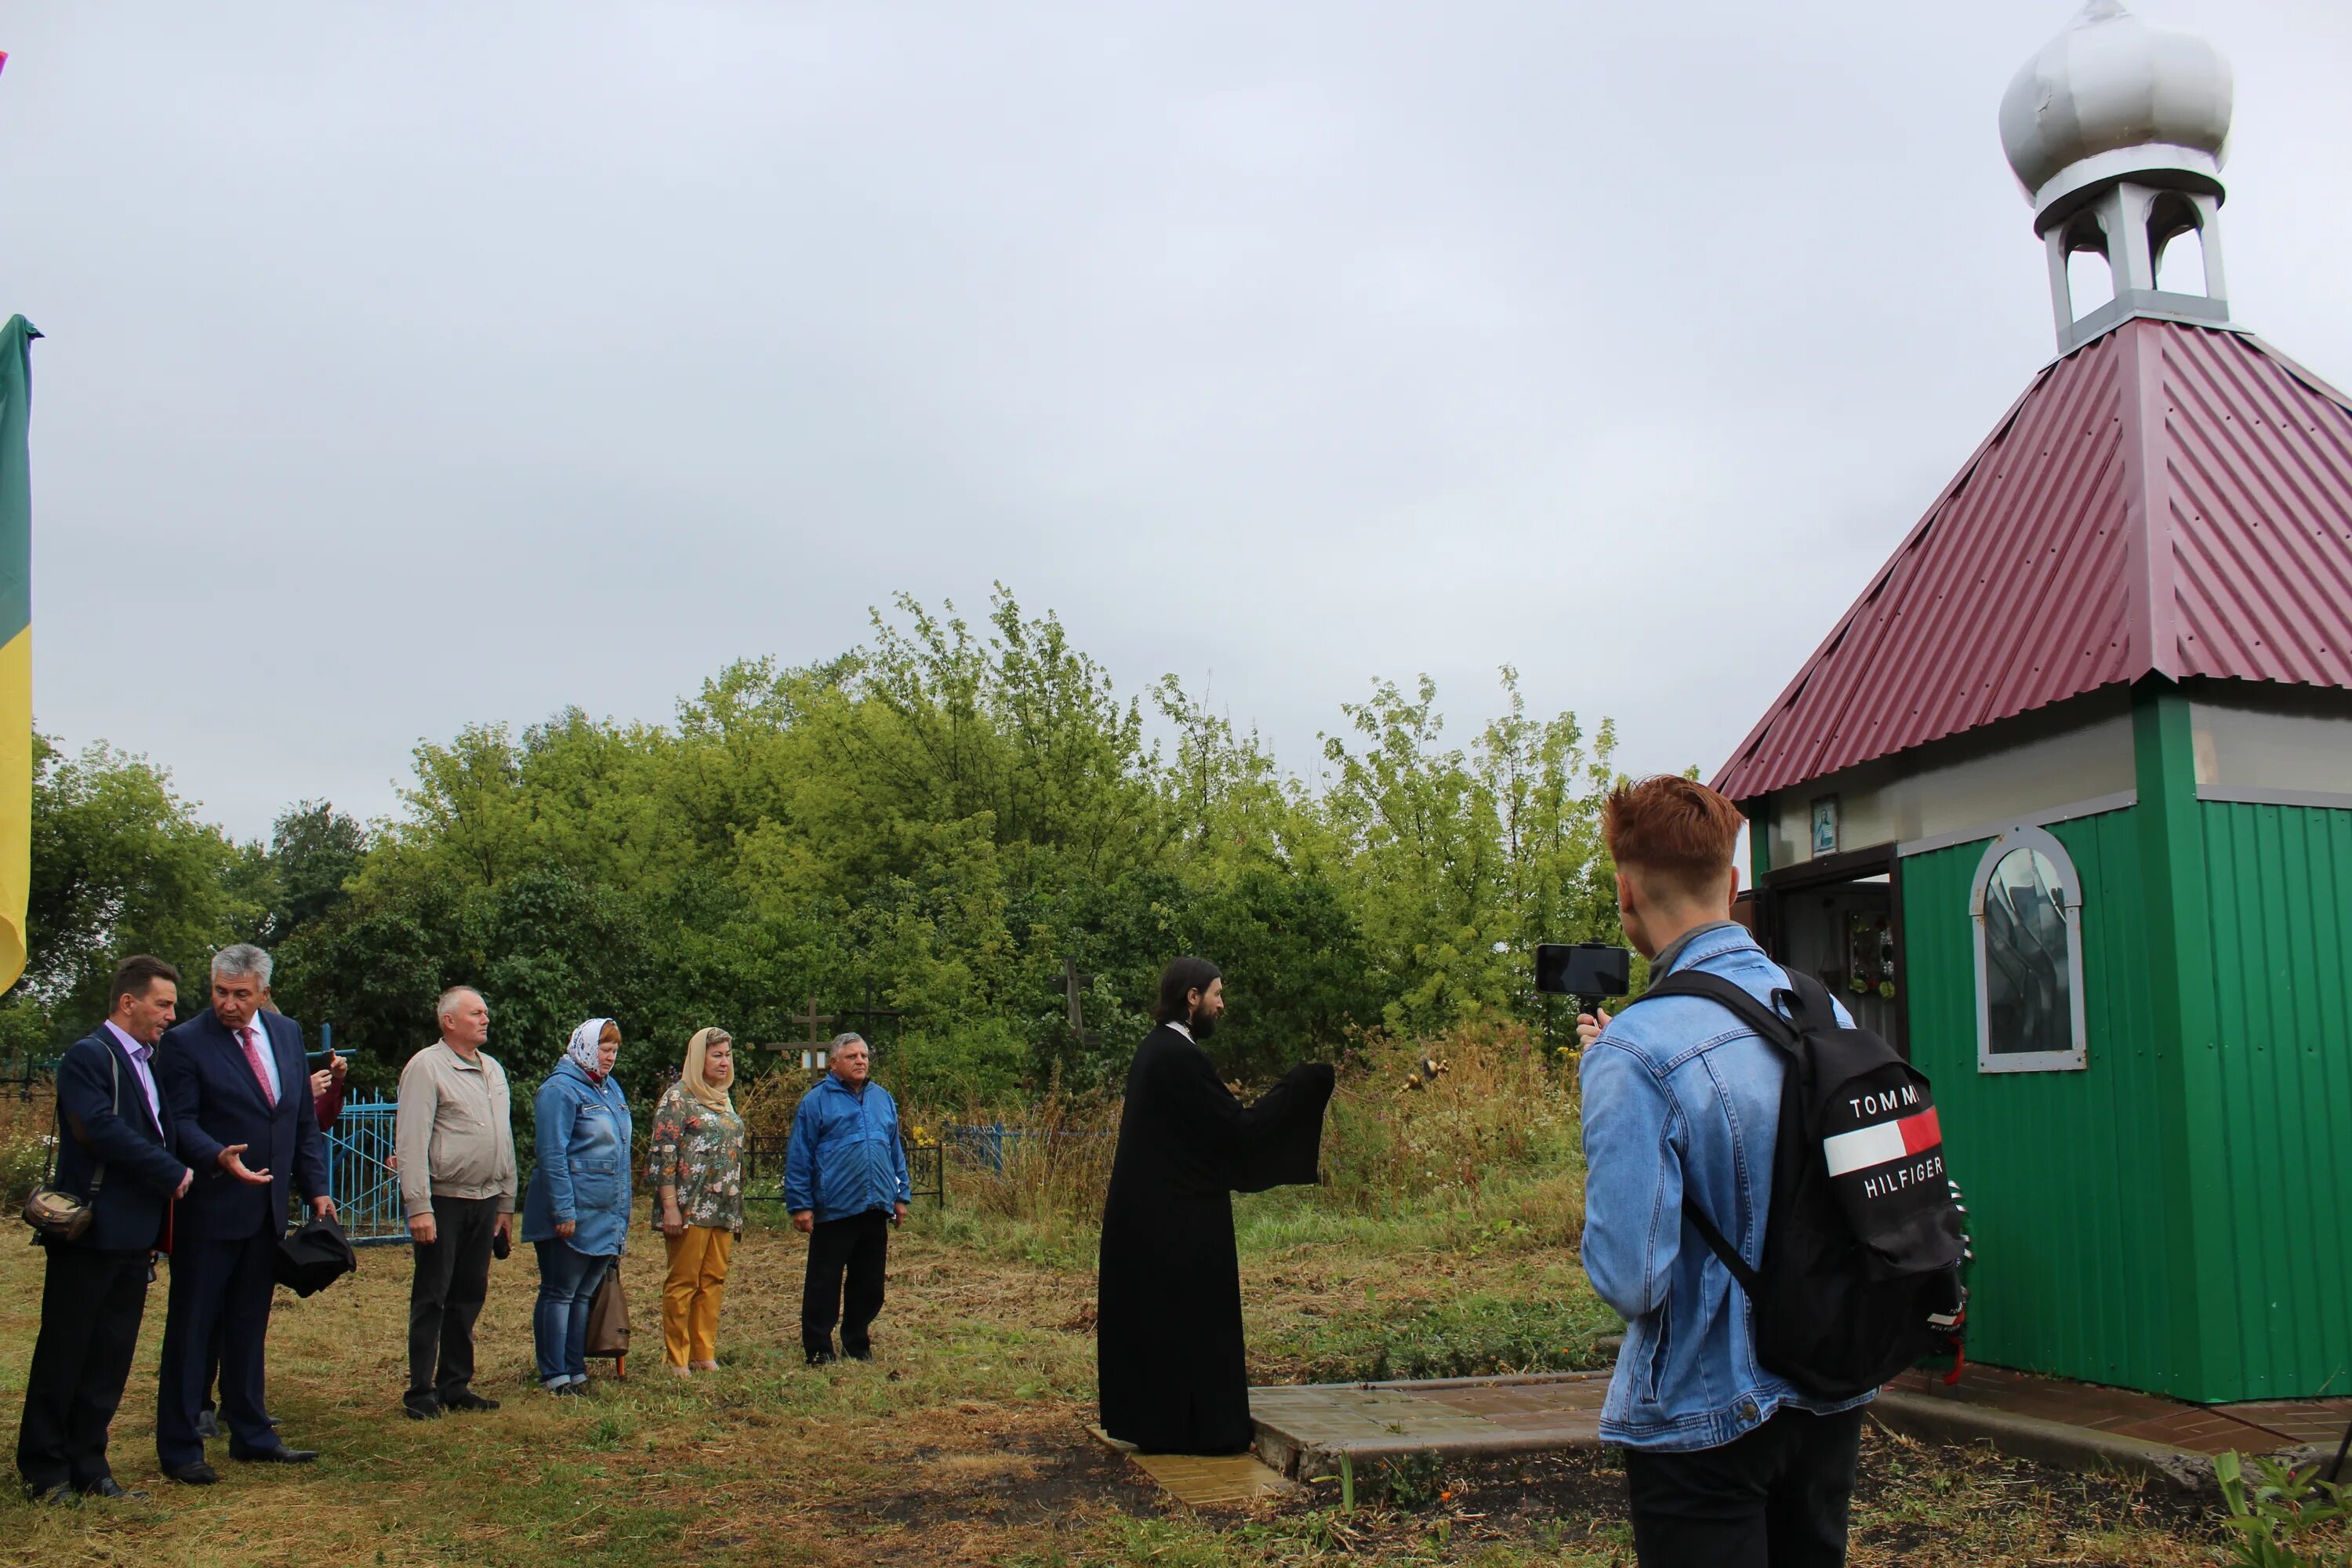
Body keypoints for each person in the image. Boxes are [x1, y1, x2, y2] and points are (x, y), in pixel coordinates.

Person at [1577, 776, 1869, 1566]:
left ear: (1625, 890)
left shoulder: (1634, 1051)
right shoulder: (1824, 1011)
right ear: (1733, 883)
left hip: (1702, 1414)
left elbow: (1632, 1277)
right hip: (1831, 1384)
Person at [1094, 956, 1334, 1454]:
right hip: (1178, 1223)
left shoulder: (1156, 1050)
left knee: (1163, 1327)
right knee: (1190, 1325)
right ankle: (1202, 1431)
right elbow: (1235, 1132)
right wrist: (1300, 1087)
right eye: (1217, 994)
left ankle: (1161, 1427)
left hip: (1155, 1218)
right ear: (1192, 997)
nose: (1222, 1005)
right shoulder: (1176, 1056)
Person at [153, 943, 334, 1484]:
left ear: (264, 993)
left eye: (241, 994)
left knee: (248, 1327)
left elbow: (298, 1120)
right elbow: (177, 1121)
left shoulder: (286, 1034)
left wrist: (317, 1188)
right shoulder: (185, 1043)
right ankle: (182, 1446)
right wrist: (215, 1155)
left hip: (266, 1213)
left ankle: (252, 1435)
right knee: (193, 1329)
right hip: (208, 1212)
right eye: (220, 992)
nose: (229, 1004)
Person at [14, 956, 194, 1502]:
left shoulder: (149, 1061)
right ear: (128, 1003)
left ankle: (90, 1464)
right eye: (162, 1004)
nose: (170, 1015)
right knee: (67, 1350)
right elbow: (98, 1128)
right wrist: (170, 1171)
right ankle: (45, 1469)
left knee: (111, 1355)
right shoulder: (89, 1057)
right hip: (91, 1230)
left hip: (135, 1232)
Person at [194, 994, 346, 1442]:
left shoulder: (286, 1052)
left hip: (267, 1207)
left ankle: (243, 1406)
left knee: (247, 1315)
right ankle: (199, 1403)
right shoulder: (204, 1049)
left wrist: (317, 1189)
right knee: (206, 1313)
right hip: (217, 1203)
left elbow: (310, 1126)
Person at [394, 986, 517, 1419]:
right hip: (444, 1198)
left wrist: (506, 1202)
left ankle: (455, 1383)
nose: (485, 1019)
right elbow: (410, 1140)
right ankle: (420, 1389)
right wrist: (419, 1205)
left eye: (486, 1012)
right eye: (476, 1013)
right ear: (449, 1021)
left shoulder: (493, 1070)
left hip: (484, 1199)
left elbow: (505, 1139)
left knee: (469, 1294)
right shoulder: (426, 1068)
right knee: (433, 1295)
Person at [519, 1018, 632, 1395]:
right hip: (572, 1211)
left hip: (604, 1213)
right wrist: (564, 1211)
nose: (609, 1058)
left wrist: (622, 1217)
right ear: (584, 1047)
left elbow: (621, 1155)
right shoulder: (560, 1090)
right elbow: (552, 1154)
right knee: (560, 1290)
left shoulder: (610, 1090)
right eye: (604, 1049)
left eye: (614, 1051)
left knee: (583, 1293)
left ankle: (575, 1369)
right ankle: (554, 1374)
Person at [784, 1033, 909, 1366]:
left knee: (869, 1284)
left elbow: (895, 1149)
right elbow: (800, 1156)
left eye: (864, 1056)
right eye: (852, 1056)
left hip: (875, 1204)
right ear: (835, 1062)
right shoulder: (816, 1102)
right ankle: (818, 1348)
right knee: (824, 1282)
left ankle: (857, 1342)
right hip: (834, 1207)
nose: (860, 1061)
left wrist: (901, 1195)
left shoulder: (883, 1099)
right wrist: (801, 1204)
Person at [646, 1027, 746, 1374]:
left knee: (713, 1279)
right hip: (689, 1207)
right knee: (684, 1281)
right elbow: (663, 1154)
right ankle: (677, 1357)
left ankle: (704, 1352)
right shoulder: (678, 1099)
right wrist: (670, 1205)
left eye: (727, 1055)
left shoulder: (723, 1098)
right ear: (697, 1058)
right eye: (716, 1054)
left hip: (723, 1207)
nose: (724, 1062)